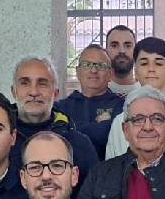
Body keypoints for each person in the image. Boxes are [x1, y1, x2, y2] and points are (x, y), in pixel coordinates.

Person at [10, 56, 100, 185]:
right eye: (25, 83)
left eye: (42, 83)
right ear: (14, 91)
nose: (34, 92)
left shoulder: (78, 144)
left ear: (56, 93)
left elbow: (94, 193)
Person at [57, 44, 125, 158]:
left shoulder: (122, 106)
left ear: (110, 74)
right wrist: (102, 128)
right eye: (86, 65)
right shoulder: (61, 107)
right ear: (77, 72)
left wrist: (71, 130)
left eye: (101, 65)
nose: (93, 70)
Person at [106, 24, 138, 96]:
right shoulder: (95, 92)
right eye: (114, 46)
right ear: (106, 51)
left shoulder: (147, 93)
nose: (122, 51)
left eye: (128, 46)